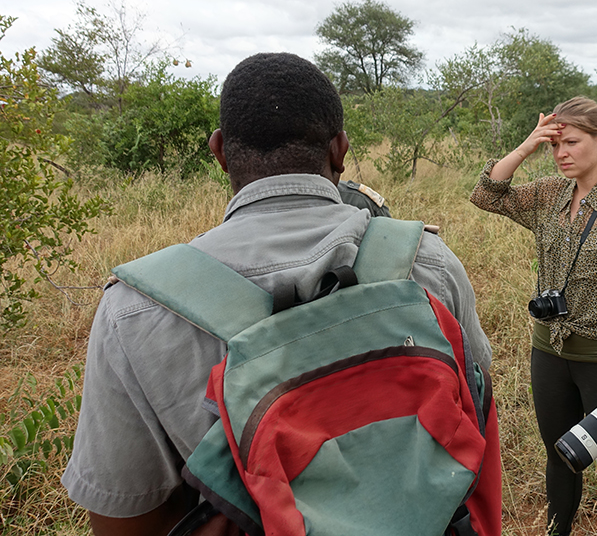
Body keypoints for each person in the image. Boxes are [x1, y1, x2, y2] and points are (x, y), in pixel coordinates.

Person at [62, 52, 492, 536]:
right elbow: (475, 412)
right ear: (340, 150)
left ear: (220, 152)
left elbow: (124, 518)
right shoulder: (429, 262)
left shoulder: (133, 310)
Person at [470, 97, 597, 536]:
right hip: (549, 350)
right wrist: (527, 145)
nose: (561, 153)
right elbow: (486, 194)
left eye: (571, 142)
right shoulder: (549, 194)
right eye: (555, 145)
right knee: (559, 455)